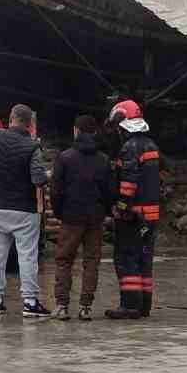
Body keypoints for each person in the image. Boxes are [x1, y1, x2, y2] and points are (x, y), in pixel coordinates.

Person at [0, 79, 49, 318]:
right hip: (25, 211)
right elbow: (38, 179)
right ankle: (29, 302)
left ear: (12, 119)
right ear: (29, 124)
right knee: (27, 255)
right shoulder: (32, 147)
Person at [50, 113, 116, 321]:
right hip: (94, 218)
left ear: (76, 131)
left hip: (70, 217)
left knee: (64, 260)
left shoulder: (65, 157)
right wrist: (105, 212)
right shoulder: (104, 160)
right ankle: (86, 307)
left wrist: (60, 212)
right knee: (91, 261)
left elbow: (55, 191)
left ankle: (61, 305)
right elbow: (110, 192)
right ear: (94, 132)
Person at [105, 99, 161, 321]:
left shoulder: (129, 148)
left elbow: (128, 184)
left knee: (127, 258)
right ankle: (144, 305)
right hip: (151, 215)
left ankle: (129, 305)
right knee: (144, 260)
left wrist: (119, 208)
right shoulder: (151, 145)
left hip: (133, 216)